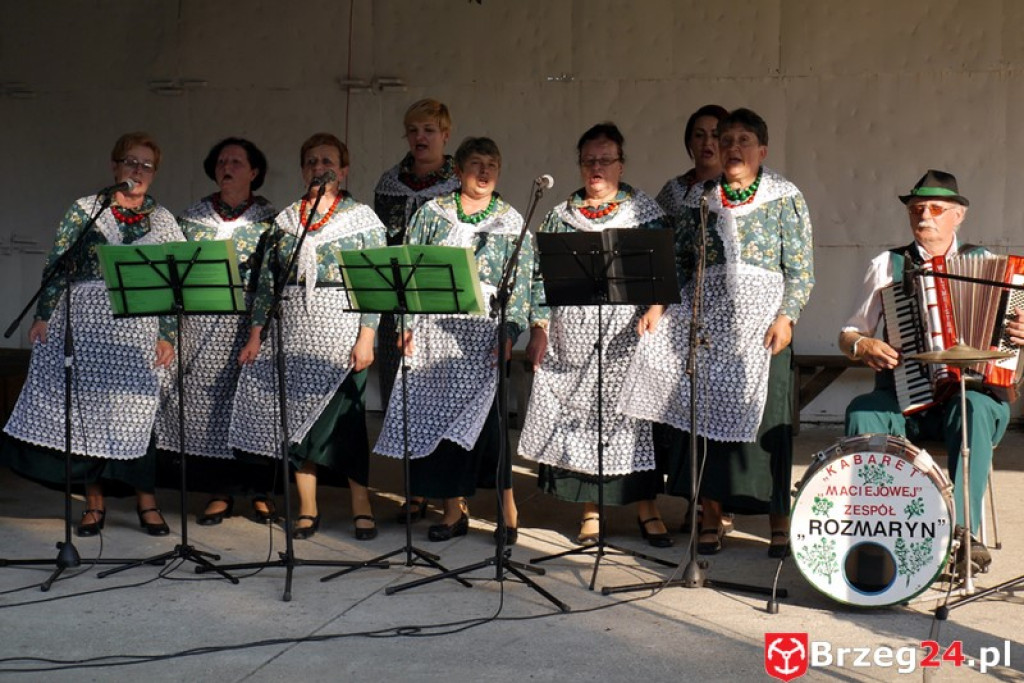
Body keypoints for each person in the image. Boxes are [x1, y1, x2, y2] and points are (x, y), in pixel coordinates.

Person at [621, 108, 814, 557]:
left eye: (743, 141)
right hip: (708, 319)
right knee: (704, 422)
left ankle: (777, 520)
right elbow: (681, 263)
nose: (732, 149)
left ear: (762, 151)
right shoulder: (700, 199)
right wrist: (656, 307)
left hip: (765, 324)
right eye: (727, 141)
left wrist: (787, 316)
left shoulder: (785, 197)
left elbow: (800, 267)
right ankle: (710, 515)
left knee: (771, 427)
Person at [840, 169, 1024, 571]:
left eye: (936, 209)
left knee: (972, 408)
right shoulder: (887, 265)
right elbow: (849, 333)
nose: (924, 216)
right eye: (916, 208)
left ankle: (963, 534)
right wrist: (861, 343)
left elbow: (1014, 339)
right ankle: (872, 529)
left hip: (972, 396)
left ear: (958, 216)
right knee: (863, 410)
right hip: (902, 394)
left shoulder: (990, 266)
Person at [2, 132, 184, 536]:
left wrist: (167, 334)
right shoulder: (85, 210)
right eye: (130, 162)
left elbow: (175, 285)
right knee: (87, 415)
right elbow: (57, 264)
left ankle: (147, 504)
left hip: (139, 330)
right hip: (84, 325)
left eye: (146, 165)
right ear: (115, 166)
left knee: (138, 415)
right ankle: (94, 505)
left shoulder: (165, 220)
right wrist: (43, 315)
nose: (137, 170)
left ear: (154, 173)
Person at [518, 122, 674, 548]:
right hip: (575, 340)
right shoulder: (558, 214)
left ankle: (646, 507)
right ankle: (591, 511)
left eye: (605, 160)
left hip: (628, 338)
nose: (597, 168)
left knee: (634, 424)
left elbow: (666, 268)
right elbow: (538, 277)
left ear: (621, 164)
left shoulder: (646, 211)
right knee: (583, 424)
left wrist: (656, 307)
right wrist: (539, 328)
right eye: (589, 161)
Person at [374, 137, 532, 544]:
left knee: (491, 430)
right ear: (458, 171)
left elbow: (522, 288)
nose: (484, 171)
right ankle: (452, 509)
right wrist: (404, 325)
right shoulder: (432, 214)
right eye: (475, 164)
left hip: (482, 337)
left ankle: (506, 508)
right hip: (433, 335)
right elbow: (406, 269)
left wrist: (509, 333)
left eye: (491, 164)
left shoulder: (512, 222)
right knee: (439, 425)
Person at [230, 133, 386, 541]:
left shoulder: (364, 220)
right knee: (297, 425)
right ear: (303, 170)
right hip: (294, 332)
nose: (320, 168)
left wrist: (367, 335)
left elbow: (374, 285)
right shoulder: (285, 222)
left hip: (342, 332)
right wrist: (256, 335)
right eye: (312, 161)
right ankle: (307, 508)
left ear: (345, 169)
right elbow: (267, 284)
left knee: (346, 427)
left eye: (328, 161)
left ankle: (360, 505)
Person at [153, 137, 278, 525]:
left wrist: (259, 328)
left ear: (254, 172)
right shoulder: (189, 218)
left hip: (251, 325)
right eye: (222, 161)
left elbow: (273, 279)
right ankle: (219, 493)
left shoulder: (273, 219)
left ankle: (260, 493)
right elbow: (172, 279)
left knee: (254, 409)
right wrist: (169, 334)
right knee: (209, 412)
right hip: (201, 326)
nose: (228, 167)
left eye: (237, 162)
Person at [373, 99, 460, 524]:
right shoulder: (389, 182)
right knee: (403, 399)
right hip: (397, 306)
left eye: (429, 129)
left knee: (442, 397)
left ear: (445, 134)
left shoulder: (463, 179)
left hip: (444, 306)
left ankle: (449, 495)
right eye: (413, 130)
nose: (420, 137)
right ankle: (414, 489)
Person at [653, 103, 729, 532]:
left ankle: (718, 502)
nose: (707, 142)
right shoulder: (673, 190)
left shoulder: (737, 190)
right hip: (678, 312)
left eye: (715, 134)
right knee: (681, 412)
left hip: (724, 313)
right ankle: (694, 499)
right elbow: (661, 251)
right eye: (698, 134)